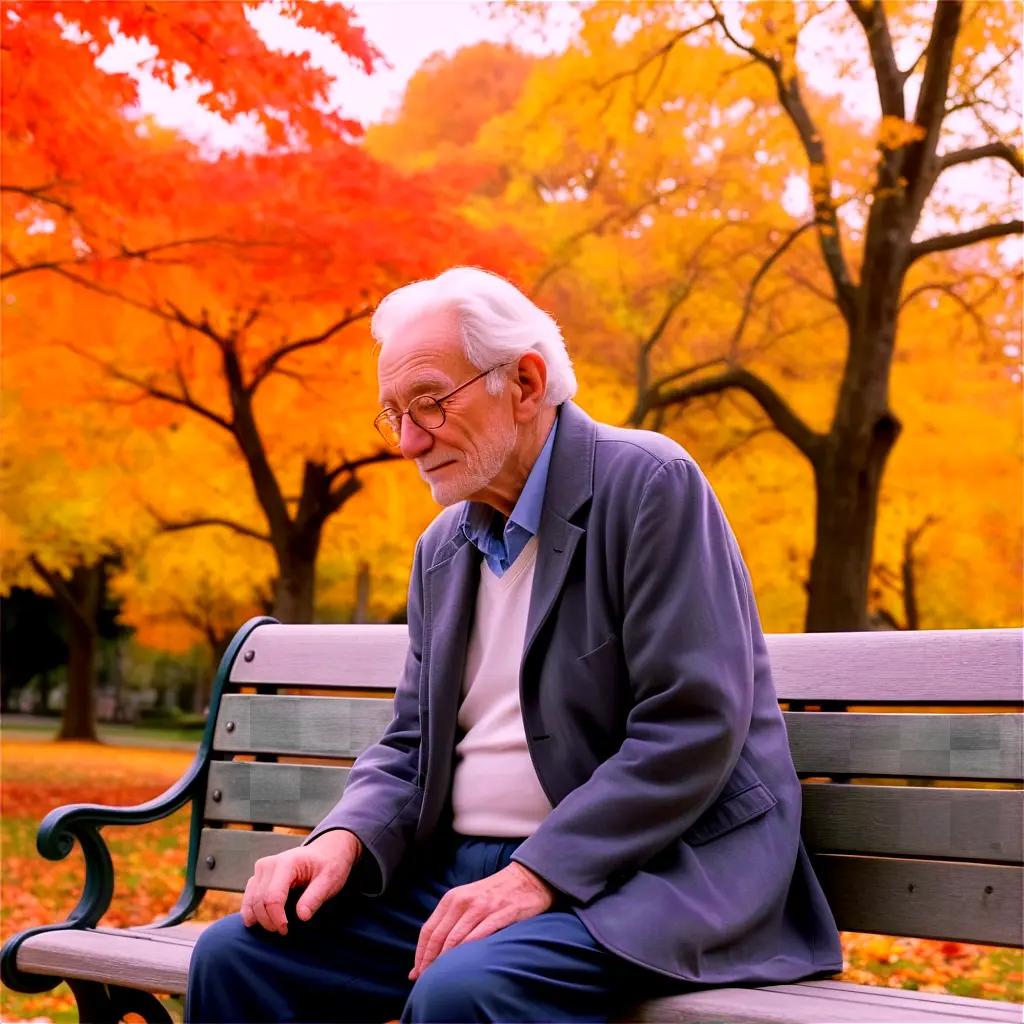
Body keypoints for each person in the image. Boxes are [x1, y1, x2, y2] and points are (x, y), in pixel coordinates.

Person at [186, 267, 842, 1023]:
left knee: (466, 992)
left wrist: (541, 871)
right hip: (465, 873)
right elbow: (410, 744)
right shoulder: (444, 547)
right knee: (240, 959)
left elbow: (693, 725)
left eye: (428, 403)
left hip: (649, 876)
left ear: (525, 383)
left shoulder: (650, 485)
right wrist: (342, 838)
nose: (406, 442)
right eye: (392, 414)